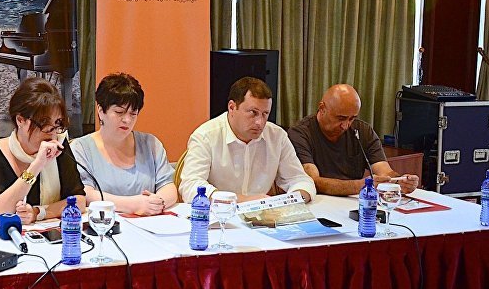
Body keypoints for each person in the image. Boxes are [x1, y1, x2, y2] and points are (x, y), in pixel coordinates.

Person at [179, 77, 316, 203]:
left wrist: (291, 200)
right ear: (232, 107)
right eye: (253, 113)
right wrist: (243, 200)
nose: (259, 122)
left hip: (263, 215)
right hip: (218, 214)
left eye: (265, 114)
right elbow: (190, 185)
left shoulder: (277, 136)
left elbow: (300, 179)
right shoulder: (206, 136)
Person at [0, 77, 85, 223]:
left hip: (42, 233)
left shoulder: (59, 146)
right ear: (20, 120)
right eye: (44, 123)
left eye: (57, 123)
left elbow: (79, 201)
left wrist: (38, 212)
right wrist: (36, 166)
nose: (52, 132)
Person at [71, 73, 177, 215]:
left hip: (149, 222)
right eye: (119, 112)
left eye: (133, 113)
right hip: (104, 224)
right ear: (101, 110)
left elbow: (168, 187)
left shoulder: (151, 144)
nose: (127, 120)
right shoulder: (81, 148)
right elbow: (86, 194)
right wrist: (133, 205)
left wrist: (156, 203)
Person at [288, 84, 420, 196]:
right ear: (322, 109)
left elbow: (384, 171)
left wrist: (400, 181)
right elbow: (312, 181)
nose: (346, 126)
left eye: (352, 118)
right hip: (319, 201)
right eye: (341, 118)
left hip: (355, 201)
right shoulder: (300, 134)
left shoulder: (363, 131)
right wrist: (359, 186)